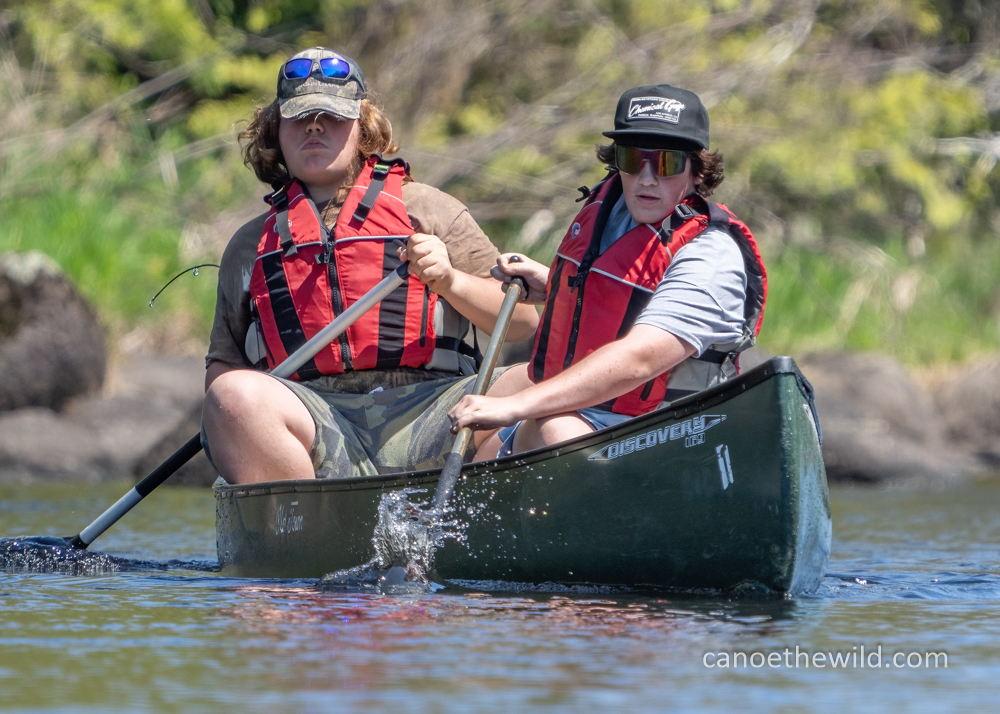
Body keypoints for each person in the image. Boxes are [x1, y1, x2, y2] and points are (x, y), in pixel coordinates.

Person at [202, 47, 538, 484]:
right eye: (300, 117)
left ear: (363, 128)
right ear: (275, 131)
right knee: (231, 395)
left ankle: (481, 513)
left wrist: (450, 281)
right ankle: (308, 531)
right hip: (316, 418)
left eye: (333, 116)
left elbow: (523, 322)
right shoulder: (251, 245)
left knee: (536, 382)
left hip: (437, 410)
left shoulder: (429, 209)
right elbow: (223, 367)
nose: (316, 127)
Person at [449, 84, 767, 460]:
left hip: (668, 433)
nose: (647, 178)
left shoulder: (711, 255)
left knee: (547, 427)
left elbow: (641, 358)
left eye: (666, 164)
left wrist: (520, 406)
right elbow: (618, 294)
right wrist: (555, 286)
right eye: (633, 159)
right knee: (507, 387)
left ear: (697, 171)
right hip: (596, 411)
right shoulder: (615, 210)